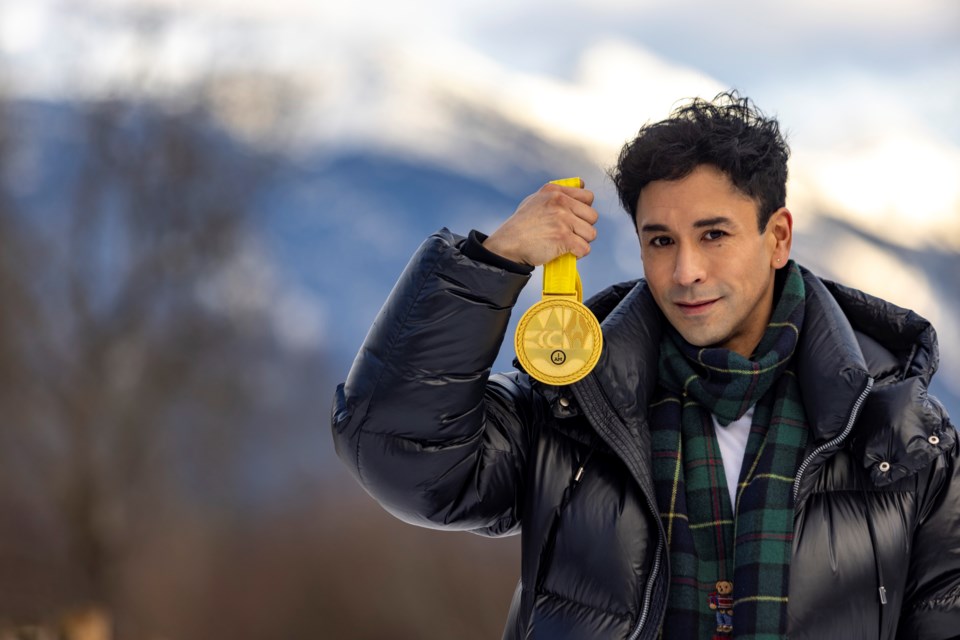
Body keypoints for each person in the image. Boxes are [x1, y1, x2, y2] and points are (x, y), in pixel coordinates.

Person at [330, 91, 960, 639]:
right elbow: (403, 452)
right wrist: (491, 265)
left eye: (714, 235)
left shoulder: (899, 436)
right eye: (661, 241)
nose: (686, 272)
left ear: (778, 238)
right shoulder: (573, 408)